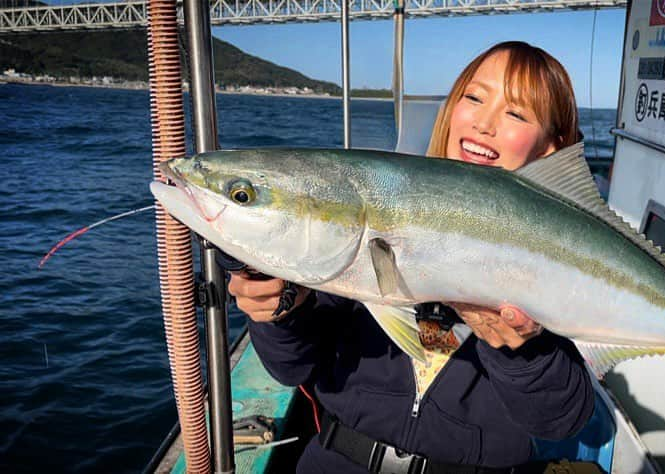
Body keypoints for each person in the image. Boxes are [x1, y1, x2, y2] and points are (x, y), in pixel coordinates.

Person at [229, 41, 594, 473]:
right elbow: (293, 366)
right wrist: (280, 313)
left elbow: (560, 419)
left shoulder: (560, 254)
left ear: (549, 150)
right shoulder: (377, 204)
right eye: (473, 98)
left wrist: (520, 350)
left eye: (515, 114)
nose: (484, 123)